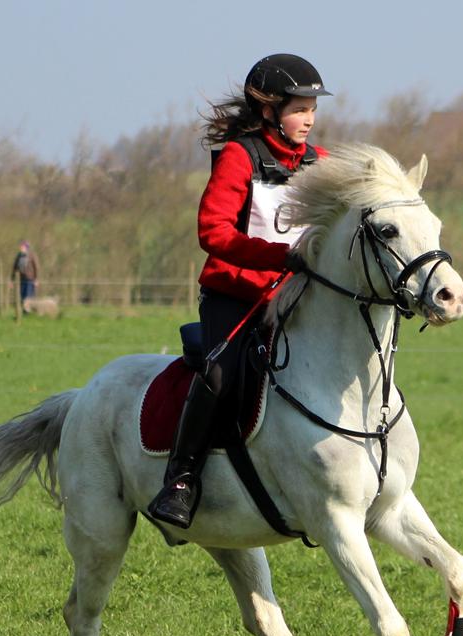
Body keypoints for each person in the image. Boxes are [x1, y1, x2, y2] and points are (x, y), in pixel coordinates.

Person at [148, 53, 331, 530]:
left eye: (312, 108)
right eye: (298, 108)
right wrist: (277, 258)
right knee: (219, 375)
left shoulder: (320, 163)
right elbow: (213, 232)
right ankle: (182, 479)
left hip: (298, 298)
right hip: (237, 296)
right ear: (268, 109)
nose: (308, 118)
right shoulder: (239, 155)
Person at [11, 240, 40, 309]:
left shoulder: (31, 255)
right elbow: (14, 268)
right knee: (22, 295)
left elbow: (36, 267)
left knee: (29, 296)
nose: (21, 248)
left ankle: (28, 311)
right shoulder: (18, 256)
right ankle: (24, 311)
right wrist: (12, 280)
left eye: (23, 247)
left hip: (30, 279)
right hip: (21, 279)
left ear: (26, 248)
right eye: (21, 246)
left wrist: (36, 279)